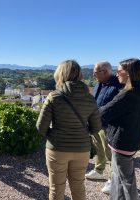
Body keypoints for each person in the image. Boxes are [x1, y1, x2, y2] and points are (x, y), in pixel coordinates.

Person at [36, 60, 101, 200]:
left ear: (60, 74)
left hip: (57, 149)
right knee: (78, 187)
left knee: (56, 188)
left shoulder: (54, 97)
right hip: (82, 149)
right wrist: (81, 132)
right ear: (80, 75)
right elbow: (96, 127)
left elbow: (41, 127)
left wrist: (53, 135)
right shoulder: (90, 99)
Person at [99, 58, 140, 200]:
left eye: (119, 71)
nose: (117, 74)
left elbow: (103, 113)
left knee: (126, 180)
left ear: (129, 73)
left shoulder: (127, 93)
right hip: (132, 140)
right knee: (117, 177)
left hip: (121, 143)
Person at [85, 61, 122, 194]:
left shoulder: (118, 85)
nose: (93, 75)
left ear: (105, 72)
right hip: (95, 123)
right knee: (98, 148)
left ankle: (113, 181)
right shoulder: (99, 83)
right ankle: (99, 170)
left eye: (95, 72)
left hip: (109, 125)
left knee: (110, 154)